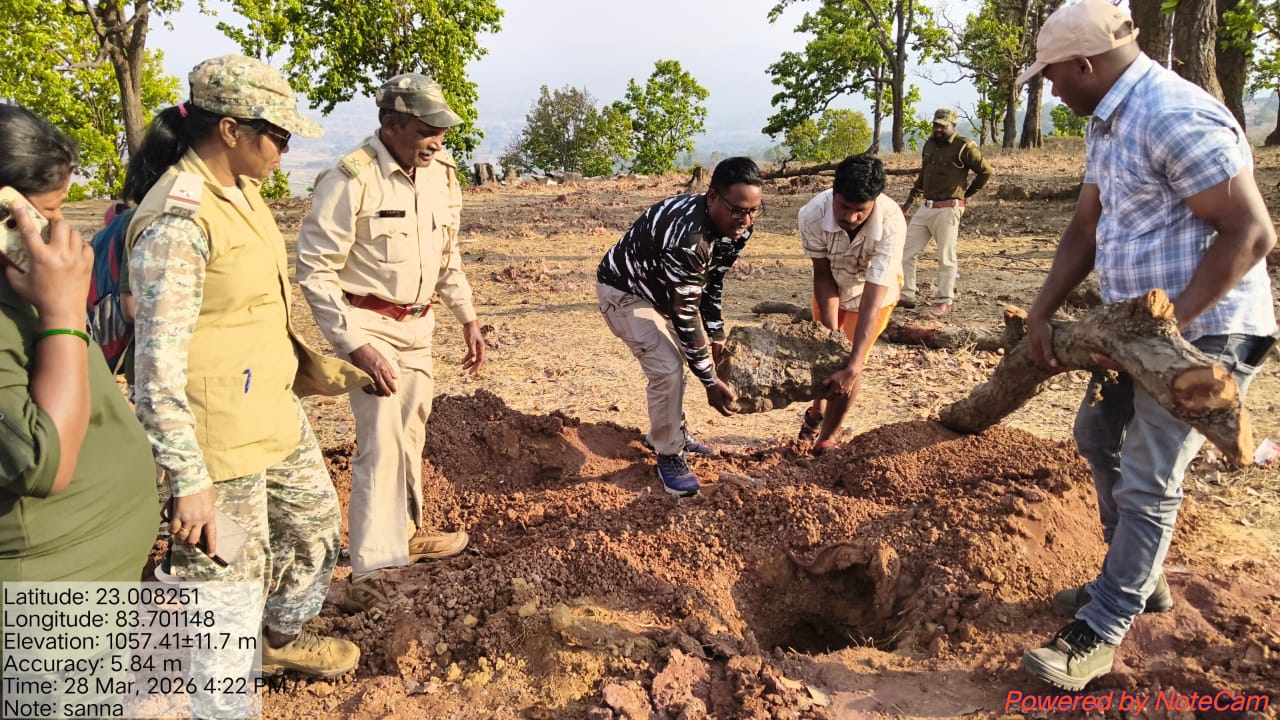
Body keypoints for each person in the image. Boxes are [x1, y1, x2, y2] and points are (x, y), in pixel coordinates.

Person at [1015, 0, 1277, 691]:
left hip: (1208, 332)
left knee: (1149, 471)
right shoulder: (1108, 121)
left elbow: (1251, 232)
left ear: (1084, 64)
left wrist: (1168, 327)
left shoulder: (1172, 114)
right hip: (1137, 331)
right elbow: (1086, 226)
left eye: (1052, 76)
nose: (1051, 90)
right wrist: (1041, 313)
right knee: (1097, 432)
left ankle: (1101, 627)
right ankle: (1139, 576)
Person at [125, 55, 370, 690]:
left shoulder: (241, 191)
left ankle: (277, 640)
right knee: (228, 573)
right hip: (215, 440)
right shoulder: (178, 221)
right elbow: (155, 372)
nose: (285, 152)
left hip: (269, 411)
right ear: (231, 130)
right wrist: (188, 480)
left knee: (315, 529)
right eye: (278, 137)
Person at [296, 73, 485, 614]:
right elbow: (314, 270)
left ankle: (404, 533)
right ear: (390, 125)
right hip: (368, 326)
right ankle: (374, 570)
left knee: (410, 431)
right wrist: (355, 345)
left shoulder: (441, 174)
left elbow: (447, 256)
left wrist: (467, 317)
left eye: (441, 132)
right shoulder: (350, 180)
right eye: (426, 130)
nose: (437, 142)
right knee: (380, 439)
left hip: (419, 328)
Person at [0, 104, 158, 584]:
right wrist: (63, 312)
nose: (61, 228)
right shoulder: (47, 298)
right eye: (48, 212)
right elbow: (41, 464)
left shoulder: (25, 284)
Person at [596, 157, 762, 497]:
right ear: (712, 196)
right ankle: (669, 453)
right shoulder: (688, 237)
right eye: (738, 210)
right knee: (667, 367)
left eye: (753, 211)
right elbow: (684, 313)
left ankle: (674, 432)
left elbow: (713, 278)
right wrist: (710, 381)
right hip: (625, 290)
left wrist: (715, 331)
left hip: (667, 291)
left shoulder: (737, 226)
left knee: (691, 354)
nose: (745, 221)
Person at [796, 154, 906, 454]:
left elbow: (873, 297)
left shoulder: (892, 222)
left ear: (875, 202)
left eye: (861, 210)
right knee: (826, 354)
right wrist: (830, 338)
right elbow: (822, 276)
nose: (851, 217)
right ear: (833, 191)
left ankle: (827, 438)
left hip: (873, 294)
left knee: (850, 364)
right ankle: (816, 412)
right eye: (844, 206)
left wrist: (854, 364)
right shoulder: (812, 215)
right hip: (831, 283)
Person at [899, 108, 993, 317]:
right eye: (936, 125)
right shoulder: (930, 144)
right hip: (926, 206)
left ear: (953, 126)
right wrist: (909, 203)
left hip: (949, 208)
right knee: (907, 251)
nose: (938, 129)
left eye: (943, 126)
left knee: (945, 257)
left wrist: (966, 194)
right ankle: (907, 295)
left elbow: (986, 171)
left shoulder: (963, 147)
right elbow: (923, 176)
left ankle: (944, 300)